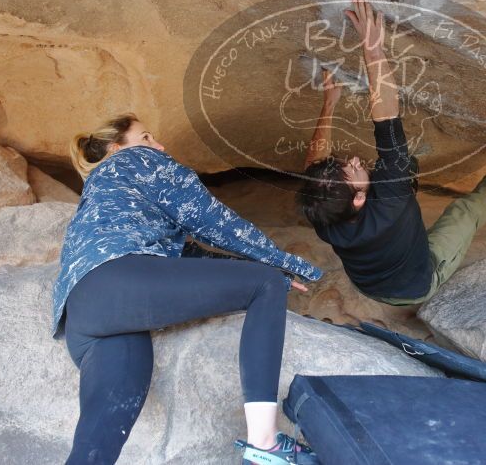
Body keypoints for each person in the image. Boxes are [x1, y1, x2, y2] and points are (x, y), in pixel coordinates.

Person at [53, 113, 323, 465]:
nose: (159, 146)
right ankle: (265, 444)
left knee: (95, 451)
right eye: (147, 137)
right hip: (121, 278)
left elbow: (186, 260)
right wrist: (281, 264)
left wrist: (258, 266)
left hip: (86, 315)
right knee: (265, 284)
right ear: (117, 147)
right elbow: (209, 218)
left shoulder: (100, 196)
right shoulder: (136, 161)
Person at [297, 0, 486, 306]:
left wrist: (330, 102)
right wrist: (372, 47)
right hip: (417, 283)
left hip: (368, 284)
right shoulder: (391, 198)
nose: (352, 159)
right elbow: (386, 113)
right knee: (465, 212)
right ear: (358, 198)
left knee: (399, 166)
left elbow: (313, 162)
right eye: (352, 169)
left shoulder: (324, 210)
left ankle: (411, 178)